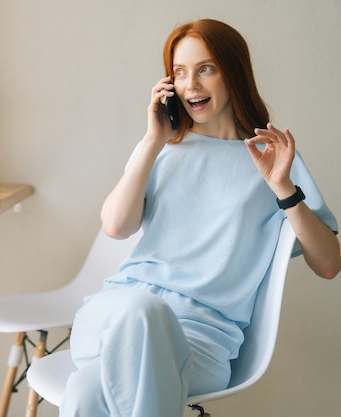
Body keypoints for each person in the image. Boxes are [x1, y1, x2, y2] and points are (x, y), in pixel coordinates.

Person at [59, 19, 341, 417]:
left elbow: (329, 264)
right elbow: (116, 226)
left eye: (205, 68)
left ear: (234, 73)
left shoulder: (272, 161)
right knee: (141, 310)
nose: (190, 84)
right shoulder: (163, 150)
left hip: (202, 343)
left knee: (85, 393)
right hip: (114, 317)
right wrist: (152, 139)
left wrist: (283, 188)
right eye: (179, 72)